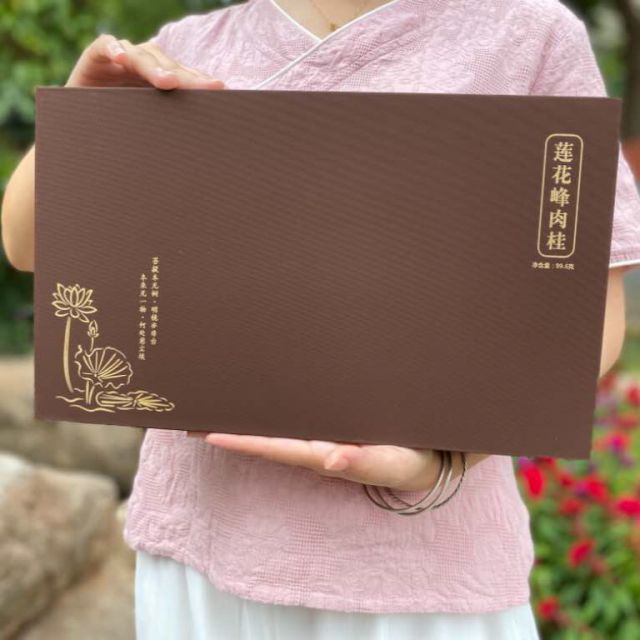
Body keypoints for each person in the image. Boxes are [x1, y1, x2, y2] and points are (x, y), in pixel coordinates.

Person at [3, 0, 640, 637]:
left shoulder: (525, 34)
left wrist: (446, 459)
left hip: (416, 570)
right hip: (199, 546)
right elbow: (29, 248)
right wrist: (83, 112)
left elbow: (585, 320)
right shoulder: (192, 43)